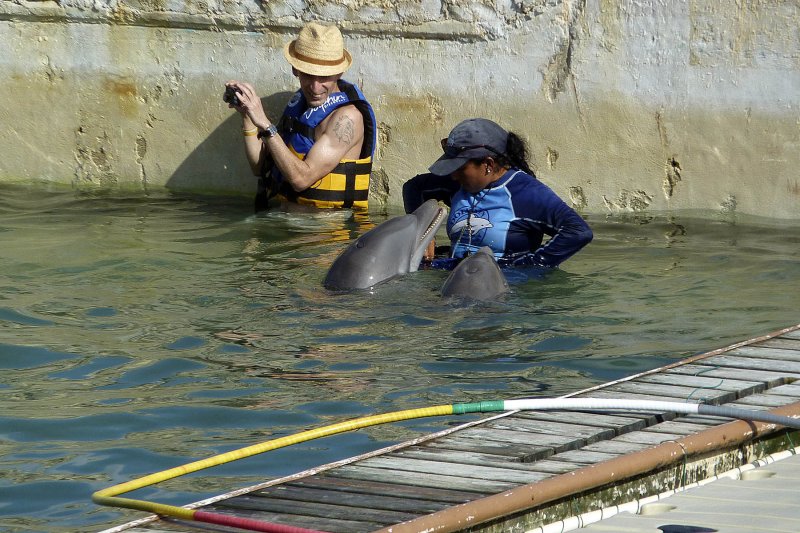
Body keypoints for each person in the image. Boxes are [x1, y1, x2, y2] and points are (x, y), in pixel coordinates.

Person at [403, 118, 593, 269]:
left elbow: (578, 232)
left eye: (459, 167)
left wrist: (530, 265)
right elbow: (414, 187)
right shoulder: (458, 185)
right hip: (453, 279)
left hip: (504, 297)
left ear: (488, 165)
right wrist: (422, 231)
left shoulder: (526, 194)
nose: (453, 175)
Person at [225, 22, 377, 211]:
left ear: (339, 72)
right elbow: (259, 168)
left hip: (326, 231)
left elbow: (301, 179)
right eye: (308, 75)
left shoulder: (347, 118)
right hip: (287, 220)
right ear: (295, 70)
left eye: (324, 77)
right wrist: (248, 115)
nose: (315, 87)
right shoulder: (300, 105)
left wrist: (264, 123)